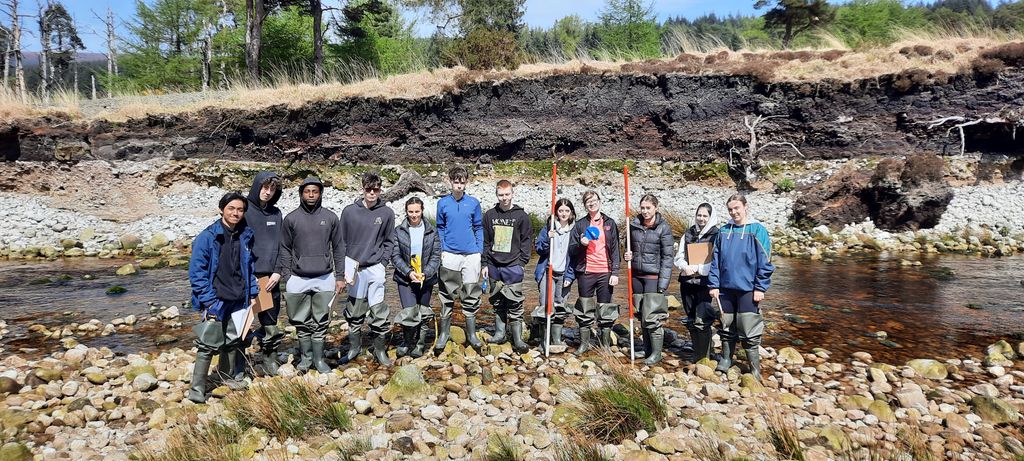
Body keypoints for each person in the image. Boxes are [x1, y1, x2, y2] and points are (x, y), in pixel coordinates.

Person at [187, 192, 259, 403]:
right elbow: (196, 272)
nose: (236, 213)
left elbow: (249, 267)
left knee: (233, 340)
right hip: (216, 299)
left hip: (239, 298)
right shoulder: (207, 237)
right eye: (231, 209)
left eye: (240, 210)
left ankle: (226, 378)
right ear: (221, 210)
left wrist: (252, 293)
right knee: (207, 345)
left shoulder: (245, 235)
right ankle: (197, 390)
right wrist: (208, 300)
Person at [275, 176, 345, 374]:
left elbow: (339, 247)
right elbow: (284, 248)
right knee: (300, 320)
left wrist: (340, 276)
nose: (311, 195)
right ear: (301, 194)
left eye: (315, 191)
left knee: (322, 321)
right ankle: (306, 359)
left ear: (320, 193)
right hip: (297, 278)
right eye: (307, 191)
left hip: (325, 277)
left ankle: (319, 359)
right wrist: (287, 275)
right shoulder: (291, 219)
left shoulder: (331, 217)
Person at [709, 194, 775, 381]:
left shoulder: (758, 230)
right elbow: (715, 261)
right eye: (730, 209)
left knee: (749, 329)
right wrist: (714, 284)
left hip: (748, 289)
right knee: (726, 326)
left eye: (737, 208)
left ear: (746, 207)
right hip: (725, 289)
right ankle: (726, 359)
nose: (733, 212)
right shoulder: (723, 231)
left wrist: (760, 287)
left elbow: (766, 262)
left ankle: (754, 368)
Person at [339, 172, 396, 366]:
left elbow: (389, 241)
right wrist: (342, 268)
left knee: (378, 310)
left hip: (376, 267)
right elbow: (341, 242)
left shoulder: (387, 213)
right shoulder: (349, 212)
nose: (372, 193)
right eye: (368, 189)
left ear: (380, 190)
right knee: (354, 310)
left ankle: (379, 350)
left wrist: (383, 263)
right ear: (362, 189)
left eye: (376, 190)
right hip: (354, 268)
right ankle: (354, 348)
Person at [435, 166, 485, 353]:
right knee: (447, 294)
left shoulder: (473, 203)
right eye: (456, 182)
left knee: (471, 293)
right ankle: (444, 334)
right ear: (450, 182)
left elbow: (478, 227)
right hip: (450, 254)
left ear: (466, 183)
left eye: (462, 182)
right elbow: (440, 227)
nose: (459, 186)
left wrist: (479, 250)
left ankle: (471, 334)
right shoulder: (442, 203)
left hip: (471, 255)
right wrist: (442, 249)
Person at [482, 180, 533, 353]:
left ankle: (517, 339)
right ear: (496, 195)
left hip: (514, 266)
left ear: (512, 194)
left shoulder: (521, 216)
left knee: (515, 303)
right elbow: (486, 241)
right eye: (501, 195)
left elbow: (526, 241)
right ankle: (499, 333)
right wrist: (484, 263)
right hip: (493, 265)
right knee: (497, 301)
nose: (504, 198)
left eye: (507, 194)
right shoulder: (489, 215)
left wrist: (522, 263)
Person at [623, 194, 674, 365]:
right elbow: (628, 247)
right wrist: (627, 255)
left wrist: (663, 284)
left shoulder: (664, 228)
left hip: (653, 277)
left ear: (656, 208)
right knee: (641, 315)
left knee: (652, 316)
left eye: (648, 208)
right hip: (636, 276)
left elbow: (668, 258)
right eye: (642, 208)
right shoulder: (633, 226)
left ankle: (656, 354)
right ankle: (647, 351)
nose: (645, 211)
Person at [568, 190, 620, 354]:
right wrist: (581, 244)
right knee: (584, 308)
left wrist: (615, 272)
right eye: (588, 201)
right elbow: (572, 250)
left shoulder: (610, 223)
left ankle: (605, 345)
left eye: (594, 200)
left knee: (605, 309)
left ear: (599, 201)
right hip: (586, 272)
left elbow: (615, 249)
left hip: (605, 271)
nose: (592, 203)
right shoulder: (580, 225)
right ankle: (584, 344)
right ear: (585, 205)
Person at [244, 171, 284, 376]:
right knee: (242, 321)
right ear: (257, 186)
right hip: (248, 276)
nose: (268, 192)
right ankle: (237, 362)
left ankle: (269, 359)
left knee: (270, 320)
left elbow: (282, 246)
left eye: (272, 189)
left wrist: (278, 272)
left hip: (270, 278)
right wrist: (247, 274)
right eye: (265, 187)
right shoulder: (244, 210)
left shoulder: (276, 214)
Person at [392, 197, 441, 358]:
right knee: (409, 311)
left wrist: (426, 273)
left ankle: (420, 344)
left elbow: (436, 256)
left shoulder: (432, 231)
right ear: (406, 212)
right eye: (411, 212)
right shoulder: (398, 231)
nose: (414, 215)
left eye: (417, 212)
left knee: (424, 311)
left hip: (426, 278)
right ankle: (407, 342)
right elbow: (395, 255)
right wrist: (408, 272)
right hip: (405, 278)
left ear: (422, 211)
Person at [674, 202, 719, 363]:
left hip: (704, 283)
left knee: (703, 318)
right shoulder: (688, 233)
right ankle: (696, 352)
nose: (701, 218)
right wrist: (684, 266)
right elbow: (679, 256)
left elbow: (717, 260)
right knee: (691, 317)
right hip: (687, 282)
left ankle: (704, 356)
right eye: (699, 215)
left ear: (710, 217)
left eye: (705, 216)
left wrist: (699, 269)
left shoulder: (716, 235)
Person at [531, 198, 576, 351]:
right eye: (561, 210)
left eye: (567, 211)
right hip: (547, 271)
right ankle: (544, 339)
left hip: (564, 274)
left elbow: (575, 256)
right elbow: (539, 249)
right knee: (546, 305)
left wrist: (570, 276)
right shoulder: (549, 228)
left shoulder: (574, 230)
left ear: (571, 213)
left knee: (560, 305)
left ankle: (556, 338)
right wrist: (548, 240)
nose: (563, 214)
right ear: (556, 212)